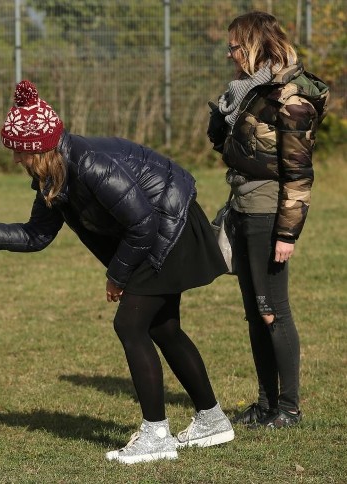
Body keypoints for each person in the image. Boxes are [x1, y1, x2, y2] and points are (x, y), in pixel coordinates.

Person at [0, 80, 234, 464]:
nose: (15, 159)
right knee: (163, 327)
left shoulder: (88, 163)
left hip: (171, 227)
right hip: (156, 230)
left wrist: (117, 276)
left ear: (37, 148)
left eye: (18, 151)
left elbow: (143, 224)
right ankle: (212, 420)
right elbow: (37, 235)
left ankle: (156, 436)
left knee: (130, 326)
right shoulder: (53, 174)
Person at [207, 11, 329, 430]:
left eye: (234, 46)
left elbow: (299, 173)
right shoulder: (247, 92)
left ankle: (289, 409)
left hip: (267, 212)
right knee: (254, 311)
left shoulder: (291, 98)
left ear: (254, 44)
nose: (228, 54)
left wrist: (287, 232)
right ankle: (265, 403)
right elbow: (232, 149)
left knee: (272, 310)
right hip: (241, 205)